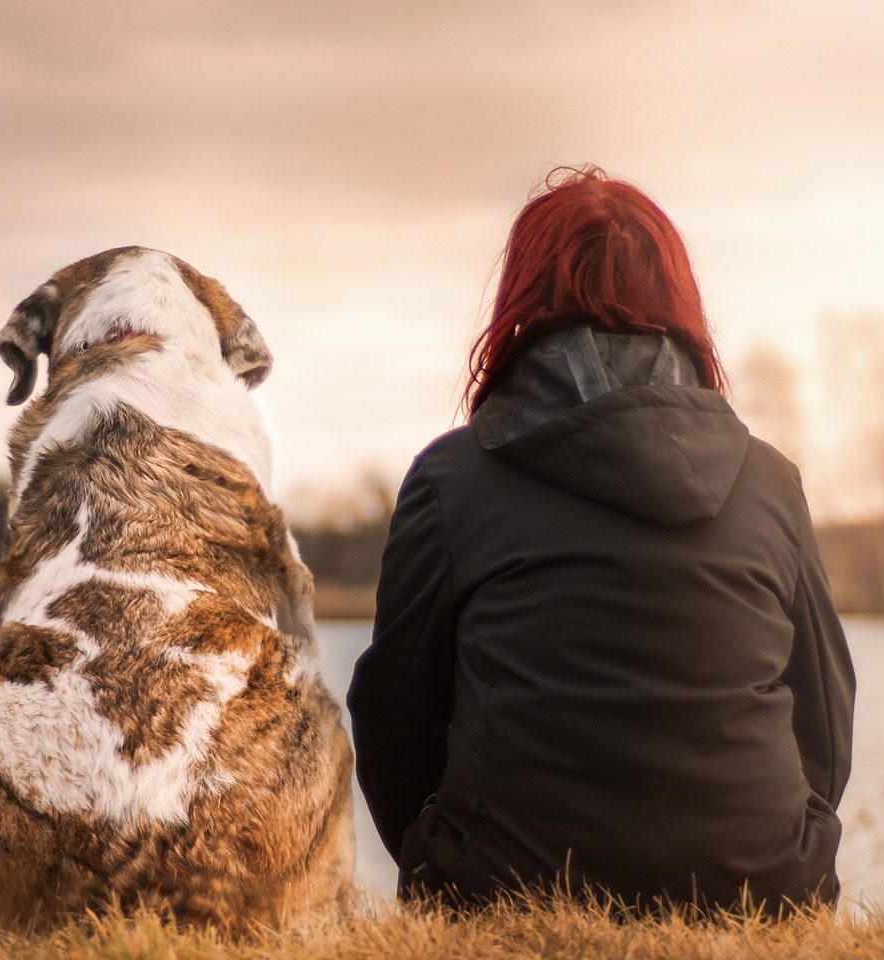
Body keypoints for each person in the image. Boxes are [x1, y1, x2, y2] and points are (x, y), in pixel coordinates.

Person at [347, 165, 855, 915]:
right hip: (762, 891)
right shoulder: (770, 482)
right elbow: (825, 717)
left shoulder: (451, 480)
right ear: (678, 301)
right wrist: (784, 846)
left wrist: (442, 857)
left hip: (503, 891)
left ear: (522, 300)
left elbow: (394, 720)